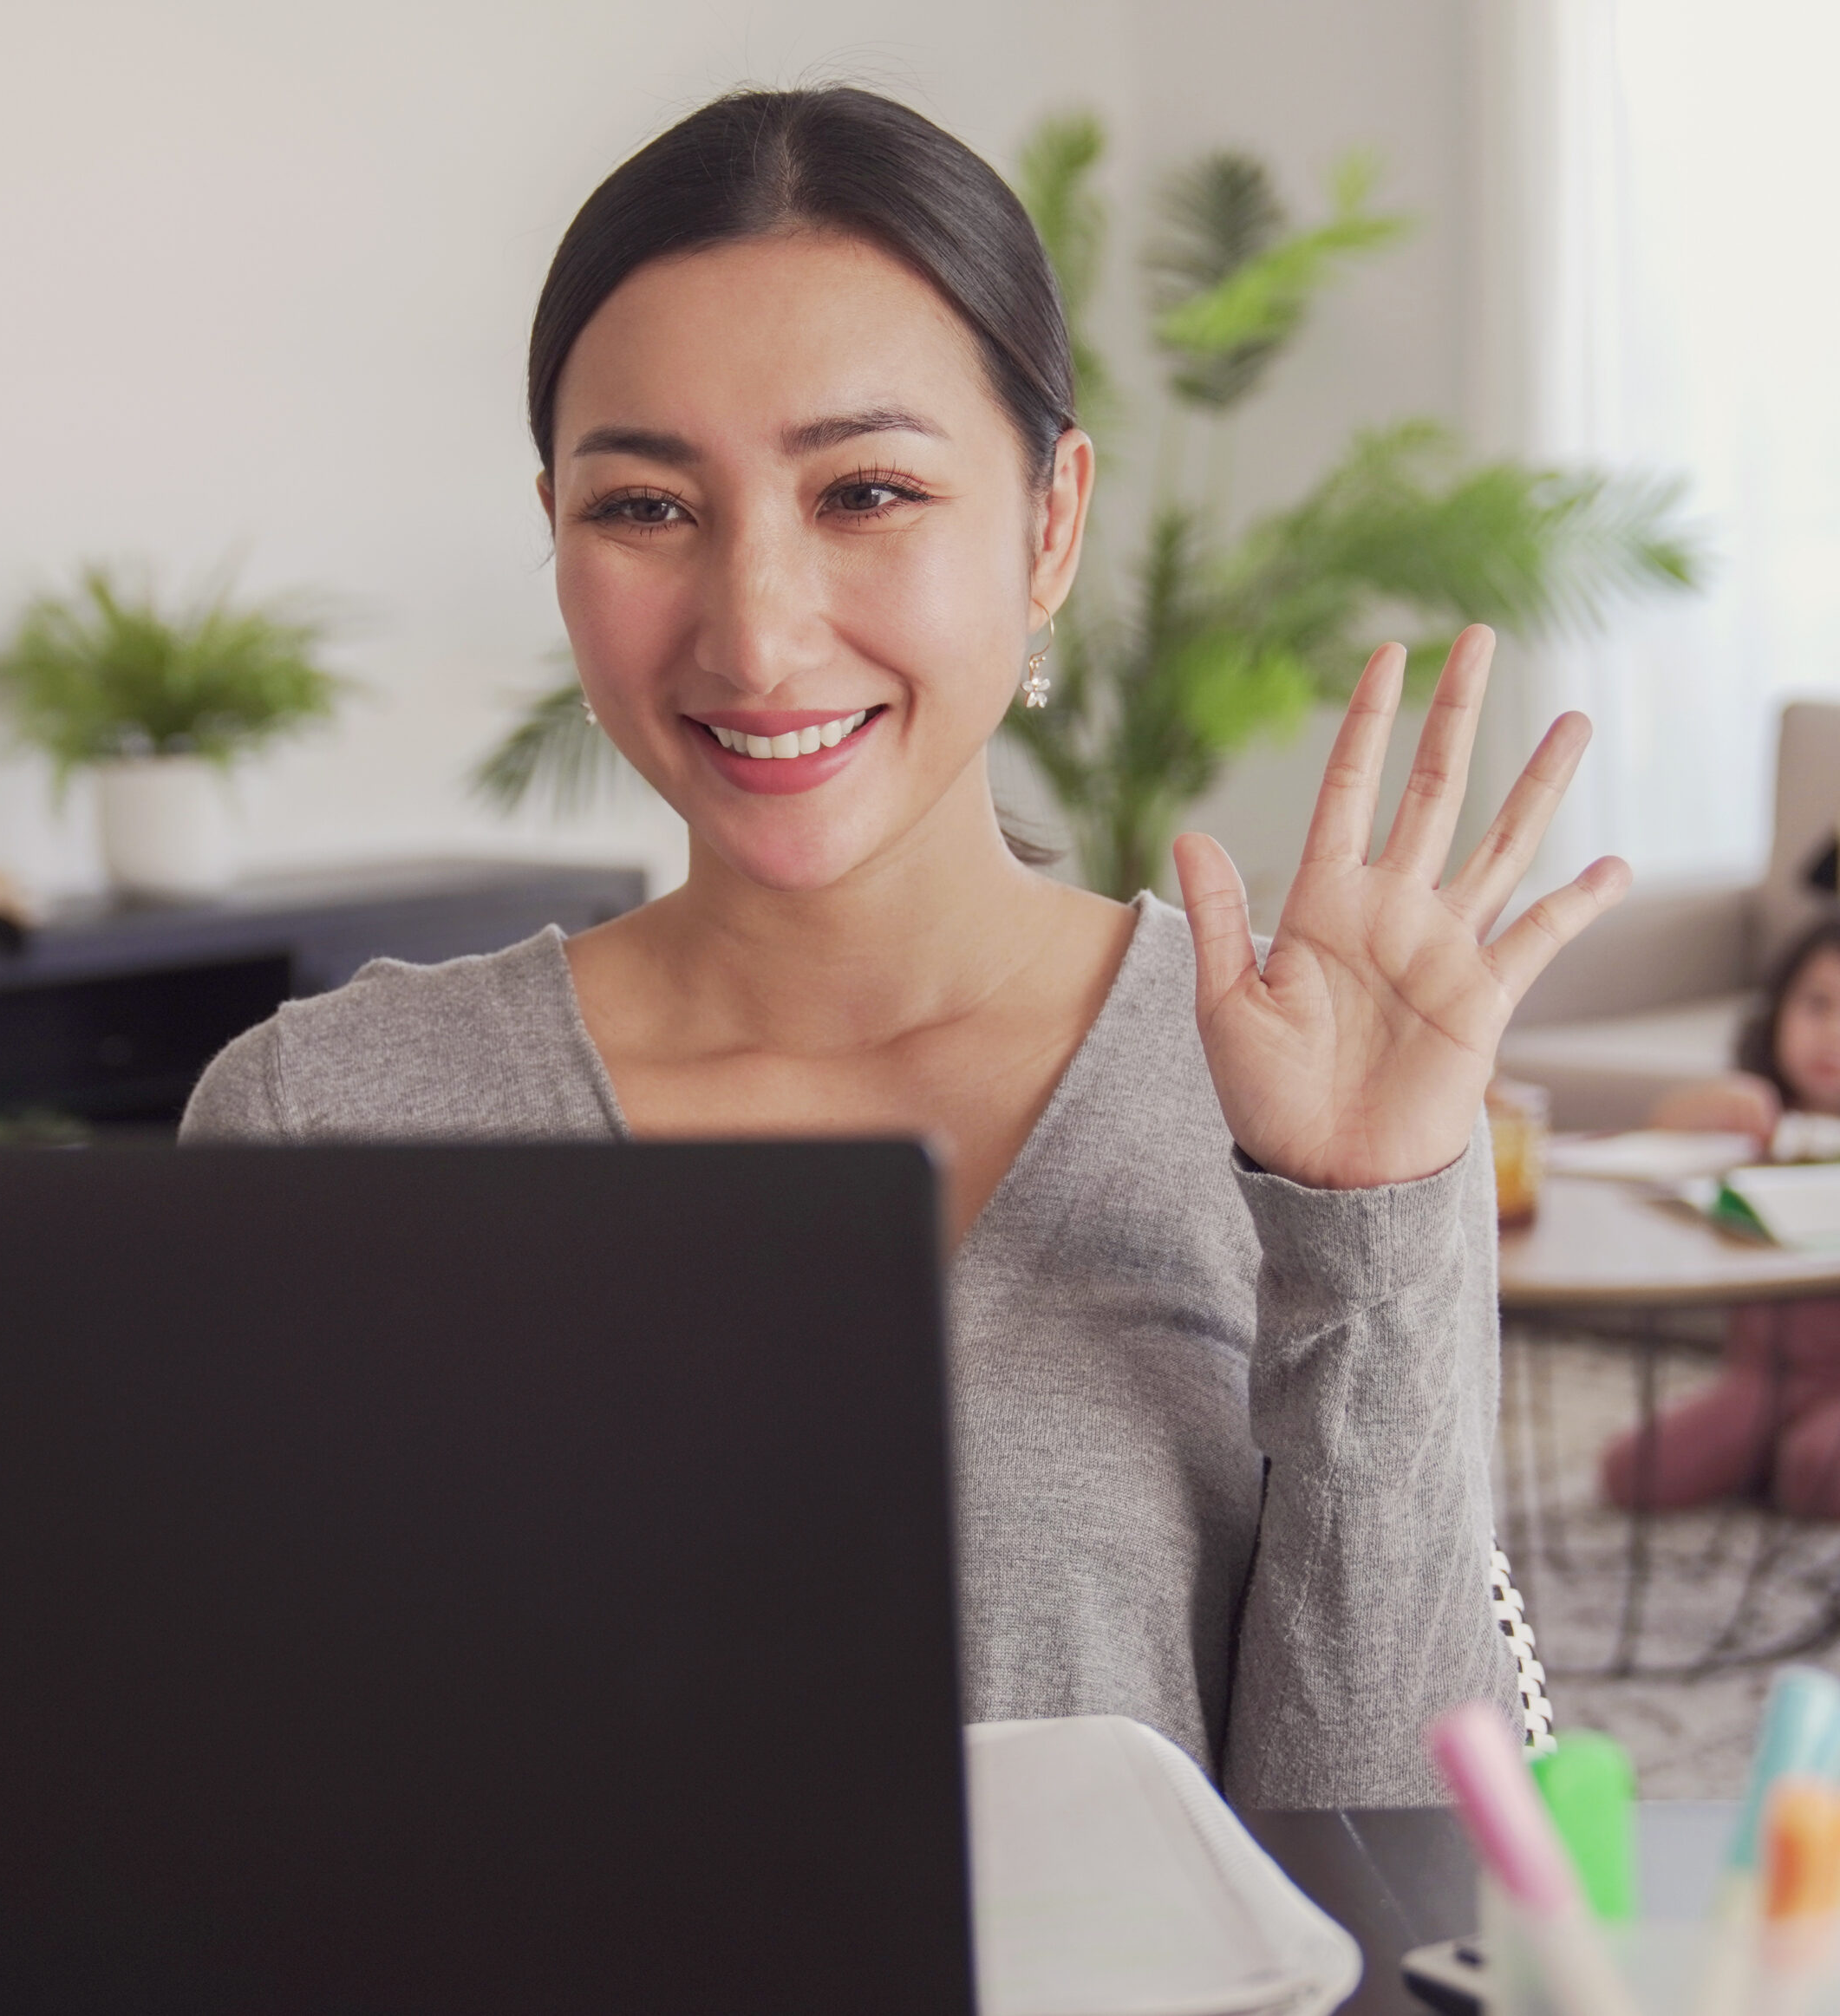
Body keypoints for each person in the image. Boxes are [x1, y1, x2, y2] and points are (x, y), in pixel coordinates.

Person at [183, 88, 1628, 1805]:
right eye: (644, 506)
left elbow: (1379, 1874)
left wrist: (1364, 1222)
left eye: (863, 490)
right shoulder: (327, 1120)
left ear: (1046, 525)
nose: (756, 626)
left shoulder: (1281, 1096)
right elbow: (247, 1815)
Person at [1602, 917, 1840, 1517]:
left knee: (1815, 1469)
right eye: (1817, 1005)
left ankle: (1789, 1453)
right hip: (1760, 1380)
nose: (1832, 1034)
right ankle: (1770, 1449)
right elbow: (1651, 1143)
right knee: (1632, 1473)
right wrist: (1704, 1108)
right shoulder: (1750, 1119)